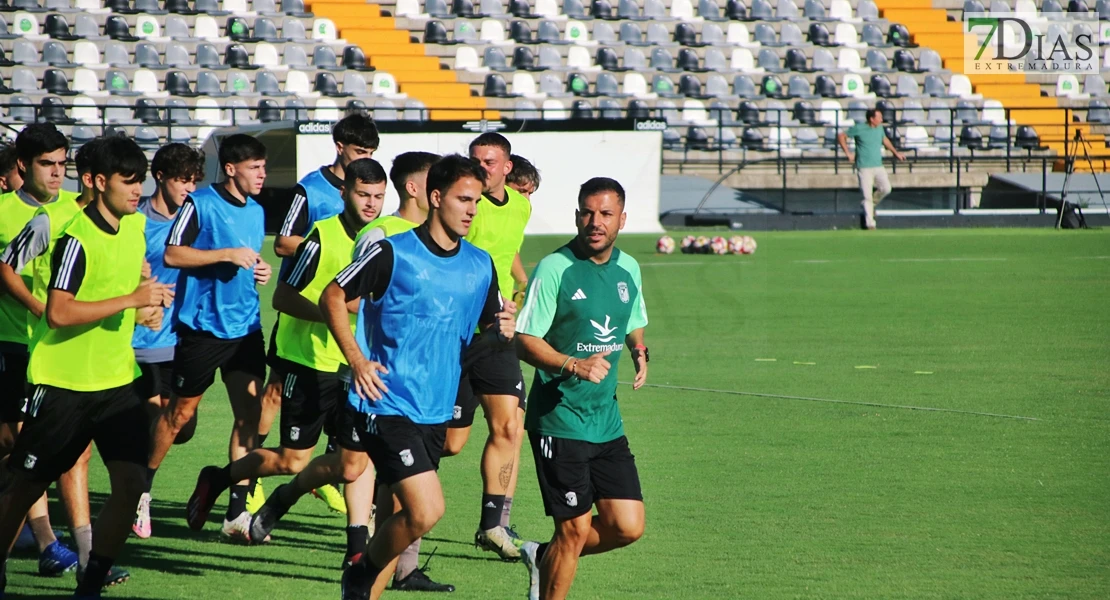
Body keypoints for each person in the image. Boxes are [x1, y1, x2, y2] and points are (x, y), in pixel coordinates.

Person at [248, 155, 515, 600]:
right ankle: (360, 568)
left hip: (435, 408)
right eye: (463, 199)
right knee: (426, 509)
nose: (472, 209)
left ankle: (361, 586)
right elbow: (334, 295)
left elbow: (484, 333)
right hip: (385, 402)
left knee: (396, 512)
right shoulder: (392, 252)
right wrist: (356, 359)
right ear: (435, 197)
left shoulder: (480, 265)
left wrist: (502, 329)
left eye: (477, 202)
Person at [0, 136, 171, 599]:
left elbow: (129, 285)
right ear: (96, 181)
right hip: (63, 384)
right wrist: (133, 300)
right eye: (128, 181)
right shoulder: (72, 234)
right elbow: (58, 312)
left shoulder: (134, 227)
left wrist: (144, 307)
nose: (138, 190)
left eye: (142, 180)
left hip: (117, 382)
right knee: (23, 485)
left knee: (132, 481)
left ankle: (90, 582)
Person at [184, 158, 387, 544]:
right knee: (294, 460)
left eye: (378, 196)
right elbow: (282, 296)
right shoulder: (319, 238)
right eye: (363, 194)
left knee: (357, 462)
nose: (370, 204)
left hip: (358, 366)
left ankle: (357, 549)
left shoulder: (383, 241)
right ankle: (221, 478)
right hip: (309, 361)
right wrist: (335, 314)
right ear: (344, 192)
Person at [514, 177, 650, 600]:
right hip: (559, 419)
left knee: (628, 526)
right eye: (587, 213)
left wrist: (639, 348)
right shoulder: (555, 268)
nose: (595, 222)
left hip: (605, 420)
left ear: (621, 220)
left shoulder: (629, 268)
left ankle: (543, 556)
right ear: (577, 215)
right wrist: (572, 364)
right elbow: (523, 339)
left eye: (605, 214)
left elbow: (632, 317)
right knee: (572, 530)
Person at [147, 134, 272, 542]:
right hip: (203, 329)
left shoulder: (256, 211)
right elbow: (172, 254)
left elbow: (247, 257)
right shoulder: (200, 204)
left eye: (264, 167)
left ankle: (235, 514)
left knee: (249, 417)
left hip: (247, 328)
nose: (262, 175)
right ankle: (140, 493)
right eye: (255, 167)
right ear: (231, 169)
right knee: (179, 417)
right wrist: (225, 255)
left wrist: (260, 270)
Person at [0, 131, 105, 581]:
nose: (58, 172)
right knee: (19, 445)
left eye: (63, 163)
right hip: (10, 343)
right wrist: (37, 306)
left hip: (56, 349)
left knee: (63, 448)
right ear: (23, 166)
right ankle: (46, 542)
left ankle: (75, 551)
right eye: (47, 163)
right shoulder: (4, 212)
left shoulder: (72, 213)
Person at [352, 150, 456, 594]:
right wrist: (358, 360)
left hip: (431, 395)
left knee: (404, 499)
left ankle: (388, 575)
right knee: (356, 470)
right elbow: (347, 301)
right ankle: (359, 559)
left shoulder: (464, 253)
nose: (469, 206)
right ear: (423, 189)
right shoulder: (383, 240)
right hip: (380, 390)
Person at [268, 113, 380, 513]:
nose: (363, 157)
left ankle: (350, 517)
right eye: (358, 151)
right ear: (340, 148)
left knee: (352, 428)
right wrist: (323, 257)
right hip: (303, 317)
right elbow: (283, 243)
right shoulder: (311, 191)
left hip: (342, 339)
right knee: (271, 399)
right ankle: (246, 483)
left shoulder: (372, 205)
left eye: (370, 152)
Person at [452, 133, 532, 560]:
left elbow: (507, 252)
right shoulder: (466, 205)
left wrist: (515, 291)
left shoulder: (521, 205)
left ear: (507, 166)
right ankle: (378, 493)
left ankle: (493, 525)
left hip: (496, 332)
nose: (482, 167)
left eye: (489, 161)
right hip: (454, 331)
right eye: (475, 161)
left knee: (509, 426)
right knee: (449, 443)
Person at [131, 143, 205, 540]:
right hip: (142, 338)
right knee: (158, 414)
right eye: (182, 180)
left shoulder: (197, 218)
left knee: (182, 425)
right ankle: (139, 493)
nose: (189, 189)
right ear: (160, 177)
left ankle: (133, 480)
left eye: (194, 181)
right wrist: (144, 288)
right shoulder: (137, 219)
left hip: (186, 338)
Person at [352, 151, 440, 257]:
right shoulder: (380, 234)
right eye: (435, 183)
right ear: (412, 189)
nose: (443, 190)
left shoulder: (442, 233)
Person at [837, 109, 906, 230]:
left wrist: (896, 153)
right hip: (864, 167)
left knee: (886, 188)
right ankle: (870, 223)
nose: (881, 119)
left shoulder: (879, 128)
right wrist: (848, 152)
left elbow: (885, 140)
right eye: (879, 117)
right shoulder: (859, 128)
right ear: (871, 119)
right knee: (867, 195)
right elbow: (841, 136)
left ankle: (869, 206)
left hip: (878, 165)